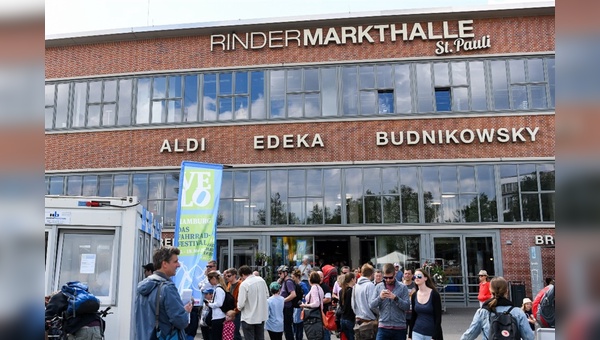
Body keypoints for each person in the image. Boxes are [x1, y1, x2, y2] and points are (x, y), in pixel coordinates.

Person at [134, 246, 193, 340]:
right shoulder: (168, 288)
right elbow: (181, 321)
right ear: (164, 264)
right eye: (175, 261)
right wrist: (185, 311)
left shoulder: (141, 287)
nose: (178, 265)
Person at [460, 276, 534, 340]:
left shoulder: (483, 312)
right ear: (506, 291)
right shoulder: (517, 312)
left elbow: (470, 335)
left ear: (490, 290)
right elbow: (529, 337)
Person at [369, 263, 410, 340]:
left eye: (390, 277)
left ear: (395, 275)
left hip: (399, 327)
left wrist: (395, 298)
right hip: (383, 327)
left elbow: (407, 306)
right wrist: (380, 298)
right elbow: (371, 305)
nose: (388, 280)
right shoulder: (378, 287)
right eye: (385, 277)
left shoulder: (402, 287)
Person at [408, 269, 443, 340]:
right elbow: (413, 316)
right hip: (417, 331)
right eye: (415, 277)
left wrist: (435, 336)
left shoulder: (434, 295)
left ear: (425, 278)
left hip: (431, 333)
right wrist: (410, 335)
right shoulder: (414, 295)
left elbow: (438, 317)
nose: (417, 278)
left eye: (419, 276)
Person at [237, 265, 269, 340]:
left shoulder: (244, 284)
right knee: (260, 337)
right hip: (261, 316)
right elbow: (267, 295)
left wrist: (239, 307)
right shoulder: (261, 280)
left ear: (242, 275)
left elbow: (241, 304)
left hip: (248, 317)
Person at [351, 263, 378, 340]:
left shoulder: (355, 286)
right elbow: (372, 304)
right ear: (372, 274)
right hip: (369, 322)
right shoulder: (370, 285)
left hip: (358, 321)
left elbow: (353, 305)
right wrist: (379, 313)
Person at [300, 271, 325, 340]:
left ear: (310, 279)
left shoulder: (314, 287)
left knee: (313, 336)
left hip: (312, 317)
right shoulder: (319, 288)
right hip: (318, 315)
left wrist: (305, 305)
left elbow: (316, 303)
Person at [199, 260, 219, 340]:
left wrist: (208, 279)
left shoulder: (218, 276)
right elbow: (201, 287)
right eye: (207, 266)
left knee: (211, 331)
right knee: (204, 327)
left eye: (210, 266)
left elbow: (204, 287)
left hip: (214, 306)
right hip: (206, 305)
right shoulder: (206, 277)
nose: (208, 268)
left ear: (215, 267)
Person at [207, 271, 229, 340]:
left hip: (218, 317)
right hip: (219, 316)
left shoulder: (218, 289)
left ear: (213, 278)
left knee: (216, 337)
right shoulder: (220, 288)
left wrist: (210, 304)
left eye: (209, 280)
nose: (209, 282)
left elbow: (219, 303)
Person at [277, 265, 297, 340]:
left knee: (287, 328)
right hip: (285, 307)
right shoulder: (283, 281)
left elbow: (293, 294)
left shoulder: (288, 282)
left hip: (288, 308)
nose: (279, 275)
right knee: (286, 327)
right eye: (278, 273)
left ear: (285, 273)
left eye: (280, 273)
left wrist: (282, 300)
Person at [225, 268, 243, 340]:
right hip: (229, 311)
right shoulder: (228, 284)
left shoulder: (240, 285)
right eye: (226, 276)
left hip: (236, 311)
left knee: (235, 332)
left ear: (234, 275)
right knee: (231, 332)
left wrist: (235, 311)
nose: (227, 277)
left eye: (229, 276)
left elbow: (240, 300)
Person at [340, 272, 357, 340]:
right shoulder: (352, 291)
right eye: (355, 278)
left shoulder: (341, 290)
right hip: (350, 319)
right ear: (352, 279)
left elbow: (341, 305)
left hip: (343, 318)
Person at [291, 269, 307, 340]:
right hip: (295, 306)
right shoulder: (295, 285)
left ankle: (299, 337)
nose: (292, 279)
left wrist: (303, 303)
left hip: (299, 307)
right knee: (296, 323)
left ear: (297, 277)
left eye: (293, 277)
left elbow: (306, 295)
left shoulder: (302, 285)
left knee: (299, 324)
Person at [318, 270, 333, 340]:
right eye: (319, 277)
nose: (320, 279)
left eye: (322, 277)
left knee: (326, 332)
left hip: (325, 313)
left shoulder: (325, 287)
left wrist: (317, 302)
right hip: (318, 314)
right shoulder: (315, 286)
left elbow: (328, 299)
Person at [402, 268, 416, 336]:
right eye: (405, 273)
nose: (407, 275)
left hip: (413, 313)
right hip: (402, 314)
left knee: (413, 335)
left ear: (412, 275)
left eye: (409, 274)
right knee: (402, 335)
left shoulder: (416, 285)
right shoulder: (400, 286)